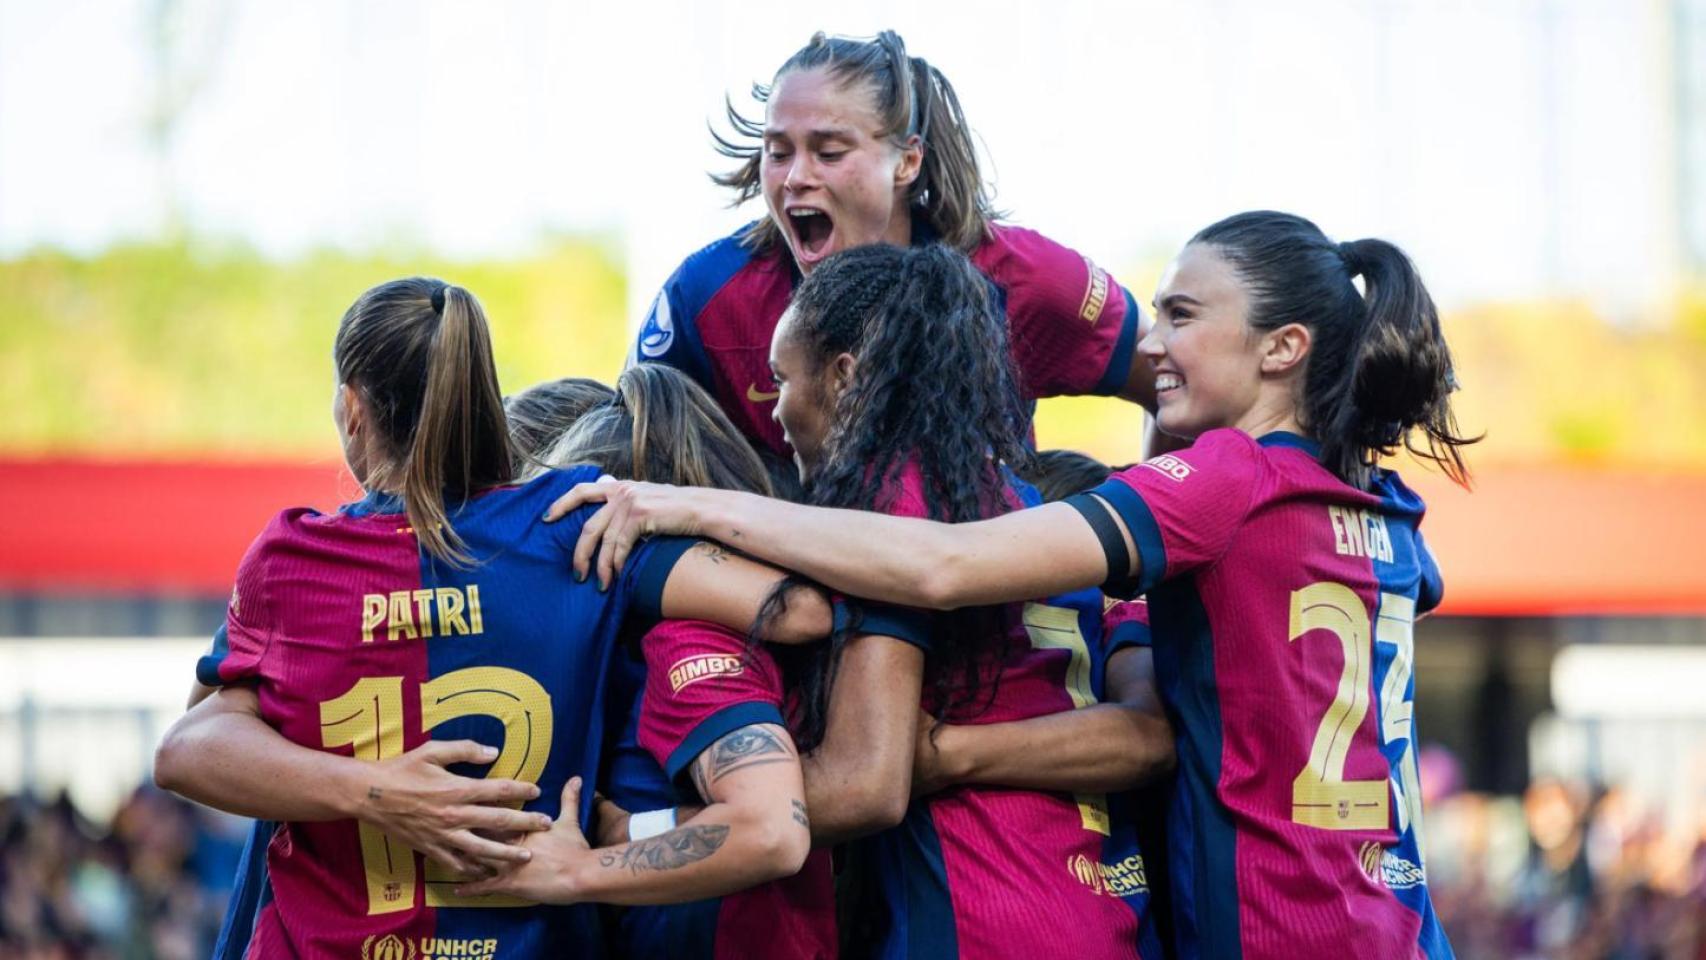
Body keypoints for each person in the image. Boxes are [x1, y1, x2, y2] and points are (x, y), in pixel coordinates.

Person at [553, 211, 1474, 959]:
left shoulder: (1220, 484)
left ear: (1283, 348)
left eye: (1182, 315)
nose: (1151, 343)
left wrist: (693, 508)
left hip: (1260, 924)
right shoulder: (1385, 508)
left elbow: (938, 565)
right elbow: (1172, 718)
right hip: (1390, 919)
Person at [153, 278, 843, 959]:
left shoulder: (295, 562)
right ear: (483, 397)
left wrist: (375, 791)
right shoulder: (568, 524)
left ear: (351, 408)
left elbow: (187, 748)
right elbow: (798, 611)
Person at [733, 242, 1168, 958]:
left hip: (981, 906)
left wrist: (655, 824)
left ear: (844, 379)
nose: (774, 409)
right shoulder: (1022, 504)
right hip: (1100, 908)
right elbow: (1147, 735)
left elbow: (866, 784)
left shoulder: (892, 502)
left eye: (781, 378)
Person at [632, 29, 1155, 459]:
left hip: (983, 579)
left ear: (907, 161)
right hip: (779, 584)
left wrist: (1163, 560)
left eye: (829, 152)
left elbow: (1177, 390)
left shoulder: (1024, 279)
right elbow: (621, 452)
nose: (794, 177)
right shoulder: (707, 298)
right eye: (778, 151)